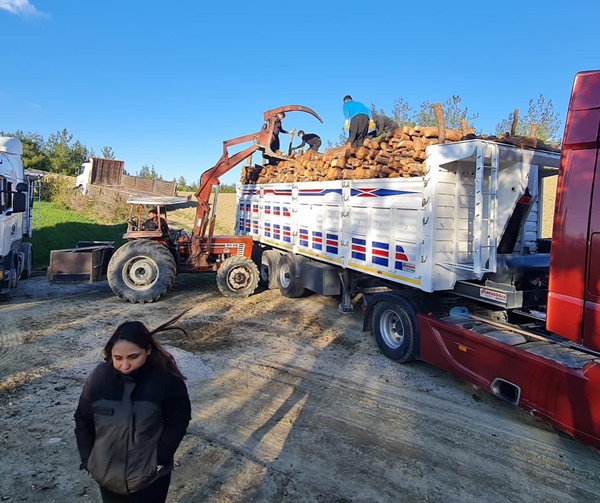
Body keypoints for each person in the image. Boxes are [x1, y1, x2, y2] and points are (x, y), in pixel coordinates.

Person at [74, 316, 192, 503]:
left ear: (148, 350)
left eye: (133, 357)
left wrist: (160, 459)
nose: (125, 365)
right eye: (118, 358)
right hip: (107, 475)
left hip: (150, 478)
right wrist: (89, 460)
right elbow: (83, 420)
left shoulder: (167, 380)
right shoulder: (99, 379)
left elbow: (179, 419)